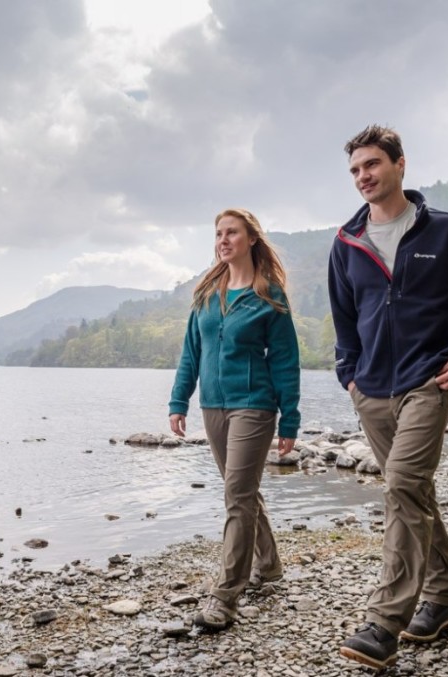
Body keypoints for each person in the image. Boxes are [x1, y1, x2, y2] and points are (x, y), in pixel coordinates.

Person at [328, 125, 448, 669]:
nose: (364, 176)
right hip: (372, 390)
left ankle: (385, 622)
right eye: (356, 169)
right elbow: (344, 318)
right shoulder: (346, 242)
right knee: (415, 494)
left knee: (403, 485)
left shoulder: (446, 232)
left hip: (429, 383)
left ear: (400, 165)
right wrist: (349, 375)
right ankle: (442, 595)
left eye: (372, 165)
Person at [169, 207, 301, 631]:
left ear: (251, 240)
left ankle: (225, 597)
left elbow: (285, 362)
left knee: (237, 498)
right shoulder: (207, 295)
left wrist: (290, 421)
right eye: (218, 233)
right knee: (240, 492)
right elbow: (192, 352)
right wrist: (178, 402)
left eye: (231, 233)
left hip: (255, 406)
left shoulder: (269, 297)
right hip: (213, 406)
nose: (223, 240)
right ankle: (271, 565)